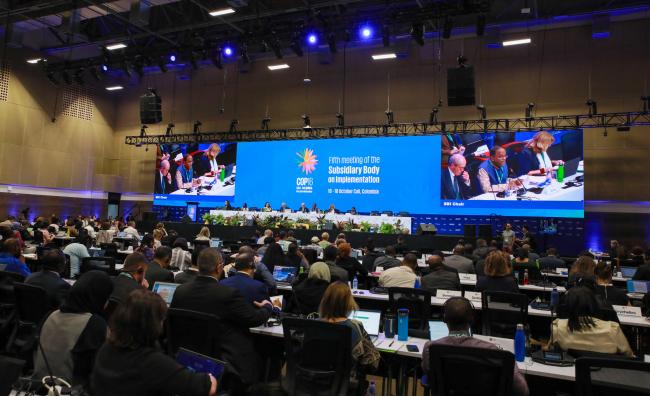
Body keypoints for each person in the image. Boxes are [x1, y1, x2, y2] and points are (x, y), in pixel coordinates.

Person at [170, 248, 272, 389]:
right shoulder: (228, 294)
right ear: (219, 267)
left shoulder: (180, 291)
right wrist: (267, 307)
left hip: (186, 356)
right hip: (222, 360)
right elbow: (253, 319)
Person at [92, 289, 217, 396]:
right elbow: (208, 387)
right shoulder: (151, 362)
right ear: (153, 324)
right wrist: (211, 377)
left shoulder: (107, 347)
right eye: (161, 319)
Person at [421, 297, 529, 396]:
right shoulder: (494, 352)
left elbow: (430, 374)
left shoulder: (431, 348)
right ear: (472, 320)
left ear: (444, 319)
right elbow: (522, 390)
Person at [34, 271, 113, 389]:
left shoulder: (50, 315)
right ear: (99, 297)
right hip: (69, 390)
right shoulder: (95, 324)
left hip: (36, 386)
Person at [318, 282, 380, 387]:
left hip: (314, 383)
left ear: (325, 301)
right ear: (348, 302)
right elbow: (372, 363)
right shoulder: (354, 327)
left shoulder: (313, 325)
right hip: (344, 385)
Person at [549, 287, 633, 356]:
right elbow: (629, 356)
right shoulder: (612, 329)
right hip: (607, 374)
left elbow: (550, 350)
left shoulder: (558, 327)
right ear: (594, 304)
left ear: (567, 305)